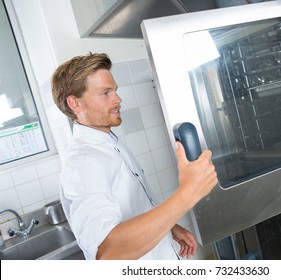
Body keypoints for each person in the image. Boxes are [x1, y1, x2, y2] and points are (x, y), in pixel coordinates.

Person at [51, 53, 217, 260]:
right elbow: (109, 253)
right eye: (105, 93)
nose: (118, 99)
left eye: (115, 91)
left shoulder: (108, 141)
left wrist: (170, 227)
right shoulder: (83, 162)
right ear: (75, 103)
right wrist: (187, 194)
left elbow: (130, 207)